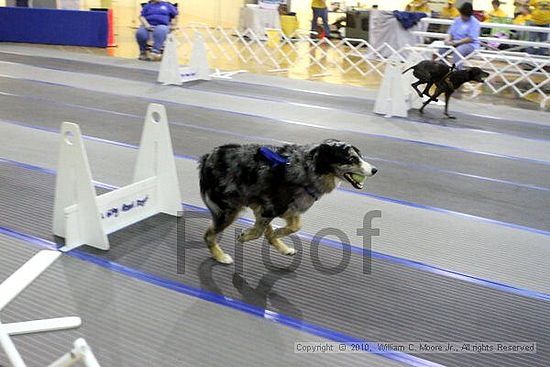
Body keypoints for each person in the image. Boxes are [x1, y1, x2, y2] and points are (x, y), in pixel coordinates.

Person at [445, 2, 481, 69]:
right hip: (454, 42)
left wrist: (457, 42)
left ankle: (457, 72)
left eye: (466, 16)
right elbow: (451, 33)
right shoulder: (457, 20)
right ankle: (440, 71)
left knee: (458, 51)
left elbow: (471, 38)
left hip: (470, 44)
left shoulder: (475, 22)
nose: (464, 17)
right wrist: (447, 40)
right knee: (441, 50)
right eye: (463, 15)